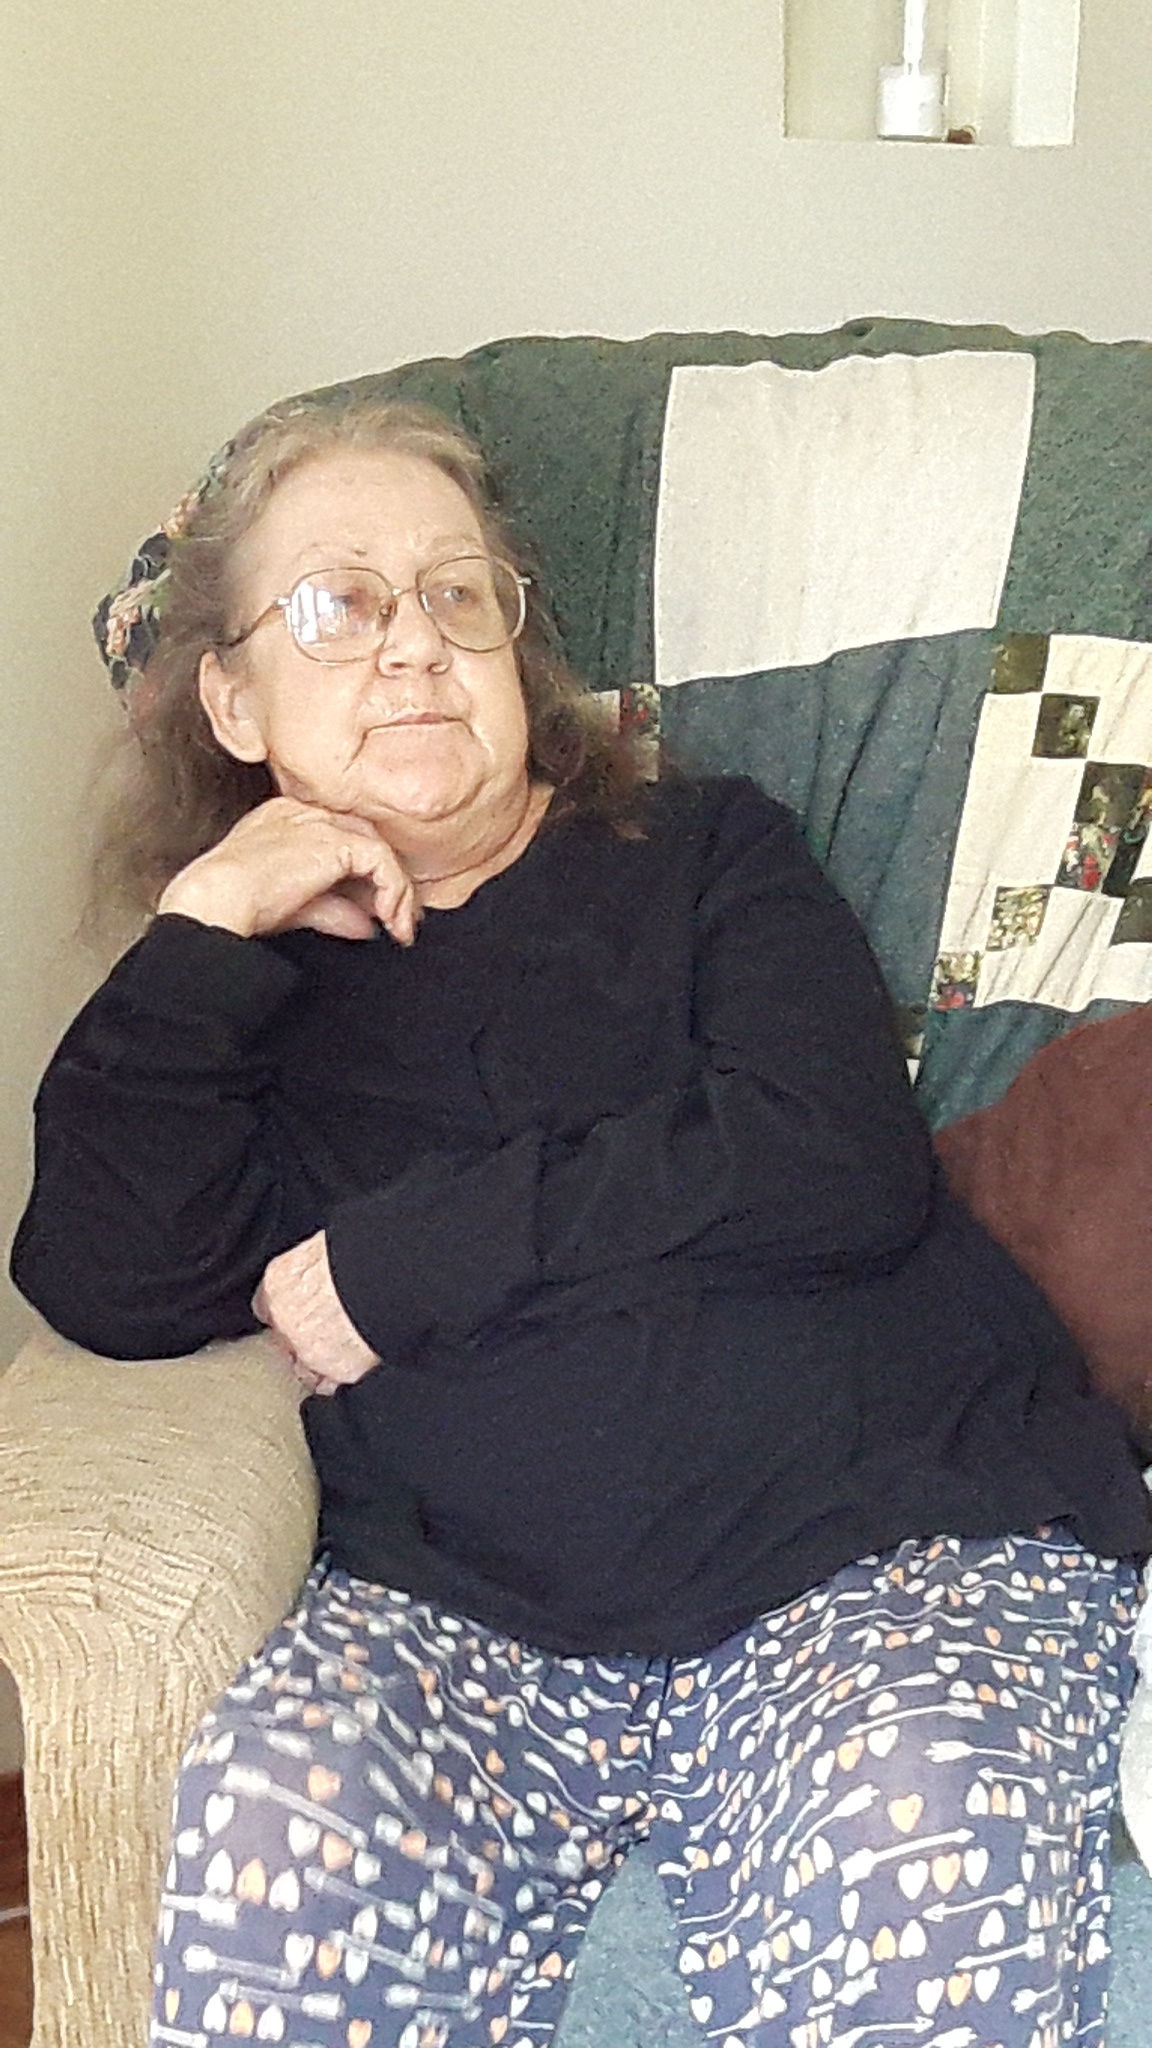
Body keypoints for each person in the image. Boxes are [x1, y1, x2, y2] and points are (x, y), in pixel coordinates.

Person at [12, 394, 1152, 2048]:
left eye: (456, 593)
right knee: (279, 1821)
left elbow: (829, 1157)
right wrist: (202, 927)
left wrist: (407, 1261)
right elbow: (113, 1287)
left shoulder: (707, 855)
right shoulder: (240, 993)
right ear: (233, 698)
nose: (415, 643)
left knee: (914, 1807)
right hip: (464, 1616)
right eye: (340, 603)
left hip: (888, 1543)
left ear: (517, 652)